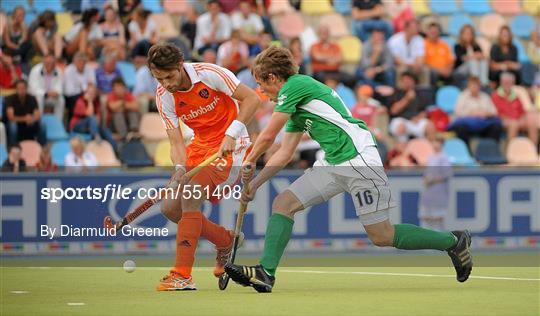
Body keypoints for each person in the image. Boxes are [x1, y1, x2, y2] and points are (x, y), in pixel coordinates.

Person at [224, 46, 473, 292]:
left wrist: (251, 158)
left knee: (382, 236)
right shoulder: (295, 107)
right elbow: (285, 152)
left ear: (273, 78)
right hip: (332, 163)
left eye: (261, 84)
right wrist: (255, 184)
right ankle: (266, 273)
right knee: (283, 204)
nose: (261, 91)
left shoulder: (295, 85)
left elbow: (268, 135)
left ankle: (453, 241)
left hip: (359, 160)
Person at [148, 42, 261, 290]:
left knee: (188, 196)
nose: (166, 83)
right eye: (159, 78)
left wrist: (232, 134)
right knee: (170, 208)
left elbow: (252, 99)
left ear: (180, 66)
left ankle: (182, 275)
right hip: (199, 148)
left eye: (169, 76)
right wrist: (179, 168)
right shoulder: (163, 95)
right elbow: (176, 141)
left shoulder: (210, 74)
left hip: (233, 145)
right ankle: (225, 240)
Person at [450, 76, 502, 145]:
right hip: (468, 124)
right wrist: (472, 113)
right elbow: (457, 112)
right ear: (468, 86)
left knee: (496, 126)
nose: (474, 87)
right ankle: (466, 150)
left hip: (483, 123)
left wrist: (485, 113)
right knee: (460, 128)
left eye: (476, 85)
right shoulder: (462, 96)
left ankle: (489, 148)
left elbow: (494, 112)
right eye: (472, 85)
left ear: (479, 86)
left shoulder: (485, 96)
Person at [388, 71, 435, 143]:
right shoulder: (396, 93)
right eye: (403, 80)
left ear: (414, 82)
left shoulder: (420, 94)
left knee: (429, 126)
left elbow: (424, 111)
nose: (406, 82)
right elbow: (394, 111)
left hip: (415, 121)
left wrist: (418, 118)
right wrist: (407, 99)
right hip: (401, 120)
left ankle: (428, 149)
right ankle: (402, 152)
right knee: (401, 126)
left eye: (408, 80)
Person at [491, 72, 537, 145]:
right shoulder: (495, 95)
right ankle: (511, 151)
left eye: (509, 82)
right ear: (501, 83)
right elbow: (496, 113)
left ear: (513, 83)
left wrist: (522, 119)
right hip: (503, 120)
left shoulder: (516, 95)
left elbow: (522, 111)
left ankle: (533, 149)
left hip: (517, 119)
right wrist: (513, 120)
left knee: (531, 123)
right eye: (505, 82)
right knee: (514, 124)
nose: (507, 84)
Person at [71, 83, 117, 151]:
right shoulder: (80, 101)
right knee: (92, 118)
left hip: (91, 128)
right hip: (77, 126)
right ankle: (95, 137)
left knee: (104, 129)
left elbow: (97, 121)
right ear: (85, 93)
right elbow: (90, 114)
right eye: (89, 93)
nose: (91, 95)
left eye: (93, 93)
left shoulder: (96, 103)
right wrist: (89, 101)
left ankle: (115, 150)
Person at [419, 137, 452, 231]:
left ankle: (440, 239)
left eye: (437, 142)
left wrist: (433, 180)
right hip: (429, 191)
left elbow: (447, 174)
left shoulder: (444, 157)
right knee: (426, 216)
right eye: (434, 142)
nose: (435, 145)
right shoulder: (431, 157)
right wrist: (426, 180)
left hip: (439, 190)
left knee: (438, 217)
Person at [388, 19, 428, 86]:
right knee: (401, 70)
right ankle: (400, 91)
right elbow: (397, 60)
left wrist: (418, 65)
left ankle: (423, 92)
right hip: (399, 65)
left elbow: (421, 57)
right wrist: (410, 65)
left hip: (413, 65)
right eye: (414, 27)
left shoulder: (419, 39)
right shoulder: (395, 40)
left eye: (417, 27)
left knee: (425, 70)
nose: (417, 29)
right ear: (406, 28)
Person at [5, 79, 45, 145]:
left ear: (26, 89)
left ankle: (42, 147)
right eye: (19, 88)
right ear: (16, 89)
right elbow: (11, 117)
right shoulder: (10, 99)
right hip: (16, 123)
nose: (21, 91)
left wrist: (32, 119)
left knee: (42, 125)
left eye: (23, 88)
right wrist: (25, 118)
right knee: (13, 126)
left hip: (29, 123)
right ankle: (12, 147)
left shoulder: (32, 98)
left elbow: (37, 115)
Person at [28, 54, 65, 120]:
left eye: (52, 63)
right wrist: (46, 93)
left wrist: (56, 92)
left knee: (61, 100)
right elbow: (33, 89)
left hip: (51, 97)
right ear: (43, 62)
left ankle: (58, 122)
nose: (50, 65)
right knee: (39, 97)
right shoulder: (35, 70)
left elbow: (59, 86)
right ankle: (39, 121)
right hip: (37, 97)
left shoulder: (58, 71)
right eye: (48, 63)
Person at [63, 52, 96, 119]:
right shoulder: (69, 70)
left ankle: (92, 119)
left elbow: (93, 85)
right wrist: (85, 91)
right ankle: (75, 122)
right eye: (79, 62)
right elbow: (69, 91)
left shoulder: (89, 69)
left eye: (83, 62)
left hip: (87, 94)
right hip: (71, 97)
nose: (81, 64)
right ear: (74, 62)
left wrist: (87, 91)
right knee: (76, 100)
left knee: (94, 97)